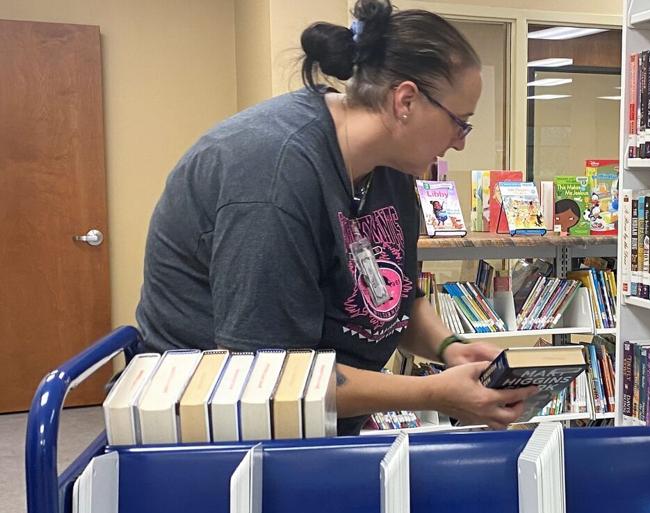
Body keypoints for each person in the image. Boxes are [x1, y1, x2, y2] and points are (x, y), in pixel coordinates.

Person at [135, 0, 537, 435]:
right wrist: (433, 392)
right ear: (405, 101)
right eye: (461, 123)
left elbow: (395, 299)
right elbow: (272, 378)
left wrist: (449, 348)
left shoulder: (391, 165)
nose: (460, 143)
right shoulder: (274, 175)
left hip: (315, 416)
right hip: (215, 427)